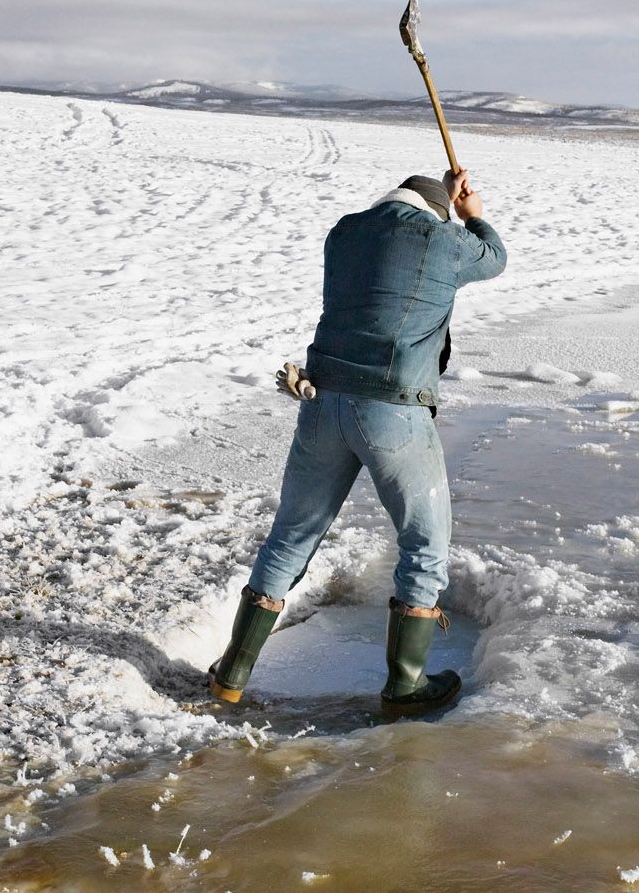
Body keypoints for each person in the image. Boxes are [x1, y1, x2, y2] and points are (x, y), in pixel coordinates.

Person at [208, 168, 506, 716]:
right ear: (436, 212)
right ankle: (405, 686)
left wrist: (447, 206)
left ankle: (231, 673)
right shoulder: (443, 239)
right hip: (393, 410)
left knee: (292, 534)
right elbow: (493, 257)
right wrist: (472, 213)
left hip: (322, 403)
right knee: (424, 542)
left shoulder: (344, 231)